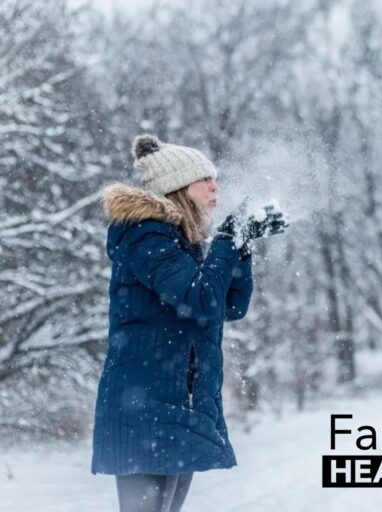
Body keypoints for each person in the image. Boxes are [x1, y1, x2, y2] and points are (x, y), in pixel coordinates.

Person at [91, 134, 287, 512]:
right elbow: (202, 299)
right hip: (145, 405)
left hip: (176, 401)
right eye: (205, 180)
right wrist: (228, 240)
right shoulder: (147, 236)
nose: (216, 187)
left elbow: (229, 305)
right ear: (178, 188)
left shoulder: (181, 241)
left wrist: (241, 246)